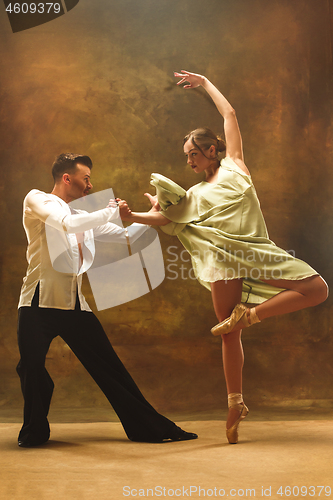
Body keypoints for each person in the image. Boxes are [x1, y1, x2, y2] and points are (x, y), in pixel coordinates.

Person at [119, 70, 329, 445]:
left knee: (316, 289)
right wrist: (133, 216)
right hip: (222, 263)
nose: (189, 162)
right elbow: (167, 218)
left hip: (257, 252)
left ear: (211, 150)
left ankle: (249, 315)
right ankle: (235, 405)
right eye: (186, 157)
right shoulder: (193, 195)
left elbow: (229, 115)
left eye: (193, 154)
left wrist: (205, 84)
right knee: (227, 333)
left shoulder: (235, 165)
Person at [16, 152, 198, 447]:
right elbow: (64, 223)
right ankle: (34, 431)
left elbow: (127, 238)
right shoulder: (38, 200)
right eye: (85, 179)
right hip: (37, 304)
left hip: (74, 306)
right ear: (67, 178)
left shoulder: (82, 216)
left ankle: (149, 428)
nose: (90, 185)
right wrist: (110, 210)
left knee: (111, 369)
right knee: (32, 367)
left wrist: (154, 214)